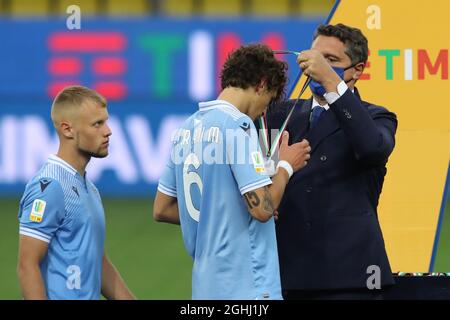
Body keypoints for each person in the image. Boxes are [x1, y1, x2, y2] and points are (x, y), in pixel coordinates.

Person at [153, 44, 311, 300]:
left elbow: (161, 209)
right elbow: (262, 210)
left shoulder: (185, 129)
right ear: (261, 84)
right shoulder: (238, 127)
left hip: (204, 289)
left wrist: (226, 216)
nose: (263, 111)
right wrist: (285, 167)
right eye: (268, 100)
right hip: (248, 286)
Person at [265, 23, 398, 299]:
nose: (318, 67)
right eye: (315, 57)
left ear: (357, 70)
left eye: (332, 61)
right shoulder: (279, 114)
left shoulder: (377, 117)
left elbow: (373, 148)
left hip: (352, 276)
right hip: (288, 273)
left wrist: (331, 82)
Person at [17, 86, 135, 300]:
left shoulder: (89, 188)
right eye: (97, 124)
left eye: (105, 121)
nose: (108, 131)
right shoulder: (50, 186)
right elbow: (27, 265)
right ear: (67, 129)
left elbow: (98, 263)